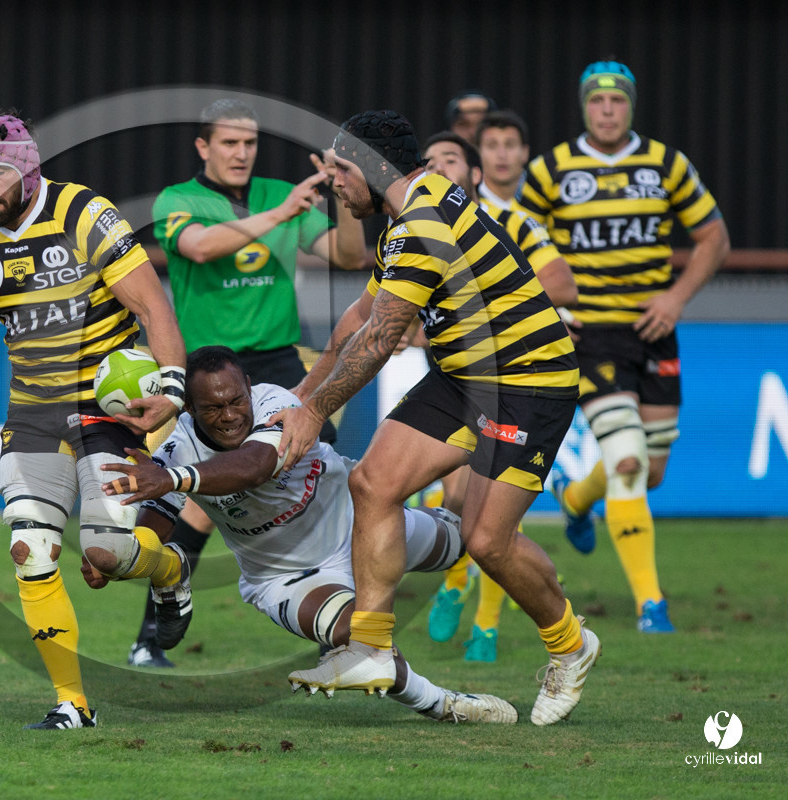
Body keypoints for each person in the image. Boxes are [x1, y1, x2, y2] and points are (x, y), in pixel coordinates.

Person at [274, 109, 600, 726]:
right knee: (373, 483)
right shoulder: (406, 218)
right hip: (464, 377)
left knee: (487, 542)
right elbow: (359, 319)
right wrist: (302, 395)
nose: (334, 183)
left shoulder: (423, 222)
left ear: (374, 169)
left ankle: (570, 645)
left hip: (527, 382)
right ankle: (370, 647)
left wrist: (314, 413)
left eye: (342, 170)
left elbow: (379, 339)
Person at [87, 346, 517, 723]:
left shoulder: (277, 402)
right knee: (359, 638)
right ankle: (444, 705)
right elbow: (155, 525)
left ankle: (549, 628)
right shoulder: (177, 450)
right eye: (213, 409)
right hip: (286, 578)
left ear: (249, 387)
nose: (230, 415)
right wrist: (123, 558)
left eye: (236, 400)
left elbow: (254, 465)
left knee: (473, 541)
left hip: (364, 524)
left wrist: (172, 478)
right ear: (190, 410)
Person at [0, 109, 189, 730]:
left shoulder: (85, 214)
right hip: (33, 412)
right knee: (30, 548)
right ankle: (72, 704)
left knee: (105, 554)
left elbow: (152, 306)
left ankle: (170, 569)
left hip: (105, 410)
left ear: (28, 170)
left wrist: (172, 387)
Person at [128, 99, 367, 667]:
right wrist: (283, 214)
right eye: (229, 142)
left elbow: (350, 254)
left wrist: (344, 194)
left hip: (277, 364)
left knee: (322, 469)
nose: (241, 153)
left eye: (250, 143)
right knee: (194, 501)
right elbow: (200, 247)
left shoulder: (278, 194)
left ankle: (333, 607)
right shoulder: (178, 200)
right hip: (207, 373)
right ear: (203, 147)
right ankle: (150, 634)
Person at [518, 61, 730, 633]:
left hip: (654, 330)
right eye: (597, 100)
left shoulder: (665, 164)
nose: (607, 110)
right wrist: (550, 311)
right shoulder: (550, 170)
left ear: (630, 106)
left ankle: (576, 500)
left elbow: (714, 237)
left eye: (617, 100)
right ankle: (650, 606)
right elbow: (515, 243)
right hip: (587, 335)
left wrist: (676, 298)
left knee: (651, 471)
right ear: (584, 106)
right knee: (629, 459)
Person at [419, 131, 578, 662]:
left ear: (474, 176)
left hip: (511, 381)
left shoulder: (510, 222)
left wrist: (499, 308)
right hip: (453, 383)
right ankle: (454, 583)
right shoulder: (419, 230)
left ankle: (485, 627)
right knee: (458, 500)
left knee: (493, 514)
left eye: (450, 160)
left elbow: (562, 285)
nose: (438, 168)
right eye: (430, 161)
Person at [474, 109, 535, 213]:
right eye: (492, 146)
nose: (502, 155)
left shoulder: (545, 196)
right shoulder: (467, 201)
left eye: (510, 145)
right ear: (478, 153)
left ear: (525, 152)